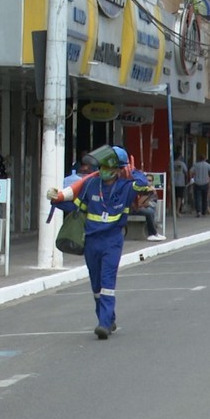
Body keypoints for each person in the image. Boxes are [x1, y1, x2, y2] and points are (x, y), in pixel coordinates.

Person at [46, 146, 152, 340]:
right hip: (92, 240)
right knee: (96, 284)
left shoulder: (126, 187)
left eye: (107, 166)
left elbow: (143, 184)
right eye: (101, 166)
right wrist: (56, 200)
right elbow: (76, 207)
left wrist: (132, 172)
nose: (102, 170)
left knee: (107, 282)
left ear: (118, 169)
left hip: (112, 240)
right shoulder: (92, 185)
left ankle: (103, 324)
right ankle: (108, 318)